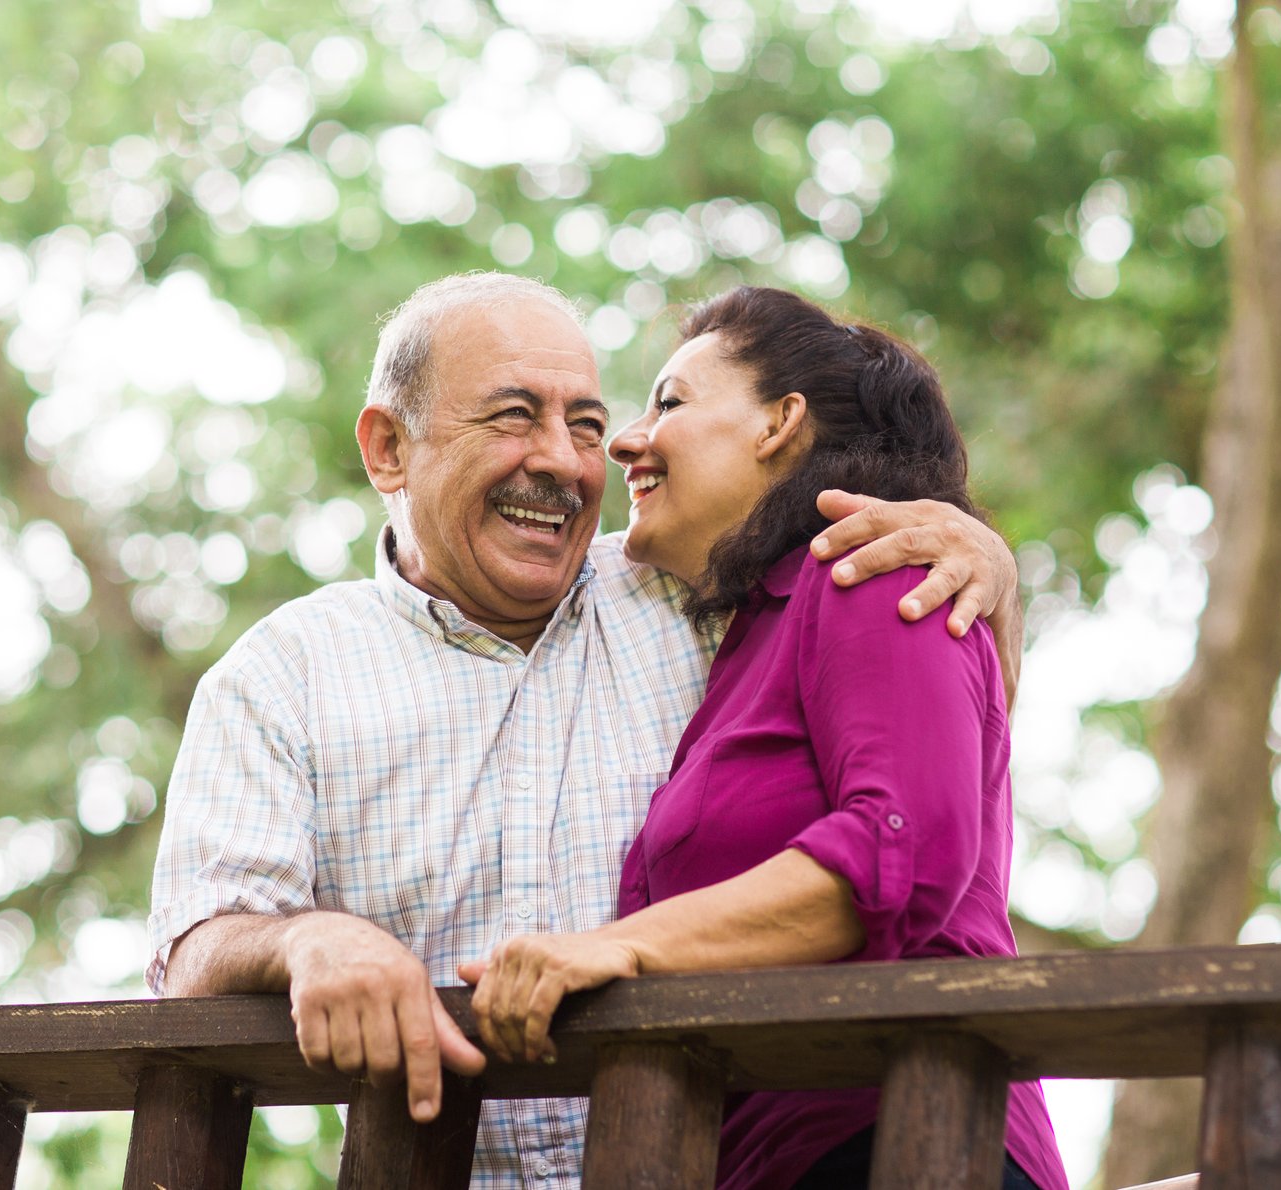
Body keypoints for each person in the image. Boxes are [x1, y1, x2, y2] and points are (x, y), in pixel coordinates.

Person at [147, 273, 1024, 1189]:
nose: (567, 463)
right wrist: (306, 942)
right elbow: (193, 953)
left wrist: (985, 566)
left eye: (588, 426)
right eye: (514, 416)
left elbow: (929, 764)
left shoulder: (702, 584)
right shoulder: (281, 677)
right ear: (388, 448)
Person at [461, 286, 1066, 1190]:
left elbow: (906, 849)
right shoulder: (748, 636)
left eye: (669, 402)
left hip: (906, 1141)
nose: (626, 440)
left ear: (781, 423)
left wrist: (617, 945)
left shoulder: (869, 571)